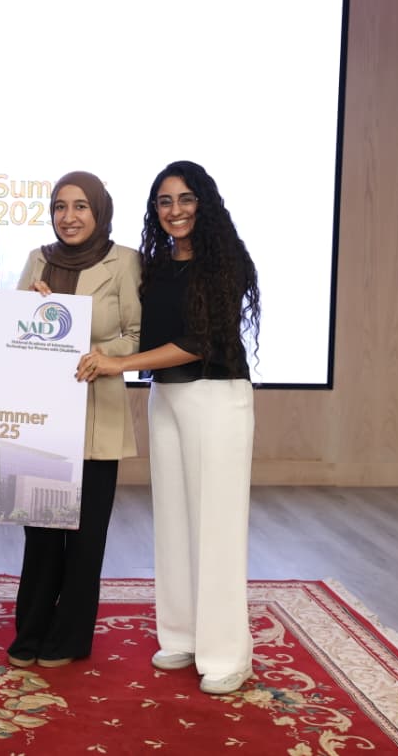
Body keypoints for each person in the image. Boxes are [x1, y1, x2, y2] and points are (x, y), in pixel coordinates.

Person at [76, 160, 260, 696]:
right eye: (164, 201)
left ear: (204, 203)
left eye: (184, 199)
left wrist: (118, 365)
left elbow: (200, 342)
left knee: (216, 526)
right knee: (175, 521)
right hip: (168, 397)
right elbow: (127, 324)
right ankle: (183, 635)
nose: (174, 210)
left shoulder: (225, 262)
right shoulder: (156, 265)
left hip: (216, 397)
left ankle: (226, 654)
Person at [6, 171, 140, 669]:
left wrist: (99, 352)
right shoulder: (37, 259)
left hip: (97, 415)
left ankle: (70, 637)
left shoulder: (124, 261)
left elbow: (138, 335)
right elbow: (11, 334)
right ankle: (32, 630)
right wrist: (30, 313)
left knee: (85, 539)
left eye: (80, 206)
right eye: (60, 207)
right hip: (43, 420)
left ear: (99, 211)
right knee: (40, 535)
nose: (69, 217)